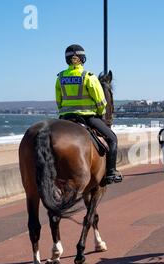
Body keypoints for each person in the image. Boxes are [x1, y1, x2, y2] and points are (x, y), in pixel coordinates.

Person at [56, 44, 123, 186]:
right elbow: (101, 102)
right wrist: (100, 114)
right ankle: (111, 172)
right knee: (112, 139)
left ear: (67, 60)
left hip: (65, 118)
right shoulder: (88, 77)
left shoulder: (60, 77)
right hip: (87, 117)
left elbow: (59, 102)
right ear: (82, 59)